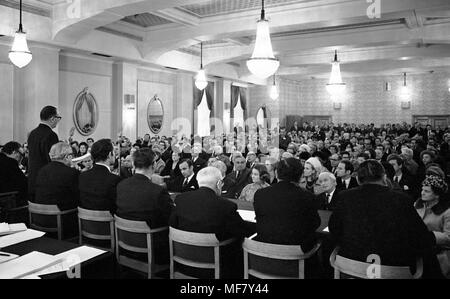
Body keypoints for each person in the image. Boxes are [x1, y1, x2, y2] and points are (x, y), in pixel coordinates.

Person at [329, 159, 441, 278]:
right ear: (384, 177)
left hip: (350, 265)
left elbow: (334, 229)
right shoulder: (402, 200)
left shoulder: (344, 197)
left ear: (358, 179)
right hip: (392, 268)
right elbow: (420, 237)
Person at [169, 167, 254, 278]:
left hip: (182, 262)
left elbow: (172, 224)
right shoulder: (226, 206)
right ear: (219, 183)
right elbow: (242, 231)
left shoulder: (181, 199)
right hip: (217, 268)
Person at [116, 148, 173, 264]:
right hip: (152, 249)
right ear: (153, 164)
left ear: (133, 164)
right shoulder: (157, 191)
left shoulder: (121, 185)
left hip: (124, 243)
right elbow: (171, 217)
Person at [253, 158, 320, 250]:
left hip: (264, 250)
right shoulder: (308, 197)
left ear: (276, 173)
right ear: (300, 176)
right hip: (295, 251)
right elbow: (315, 223)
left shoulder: (260, 194)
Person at [415, 175, 450, 278]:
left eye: (427, 191)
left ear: (437, 195)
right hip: (419, 255)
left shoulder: (447, 212)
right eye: (422, 190)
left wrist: (430, 236)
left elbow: (448, 237)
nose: (422, 193)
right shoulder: (418, 205)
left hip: (439, 257)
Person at [79, 139, 121, 213]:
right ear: (109, 155)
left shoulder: (82, 176)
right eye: (113, 152)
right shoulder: (115, 180)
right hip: (108, 222)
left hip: (85, 221)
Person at [27, 106, 61, 200]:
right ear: (52, 118)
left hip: (33, 179)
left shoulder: (32, 133)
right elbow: (53, 160)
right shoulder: (51, 135)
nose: (59, 121)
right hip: (46, 181)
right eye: (59, 118)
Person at [34, 142, 79, 211]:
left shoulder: (42, 170)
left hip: (39, 213)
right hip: (61, 216)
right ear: (67, 156)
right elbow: (78, 195)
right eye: (71, 155)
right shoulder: (71, 172)